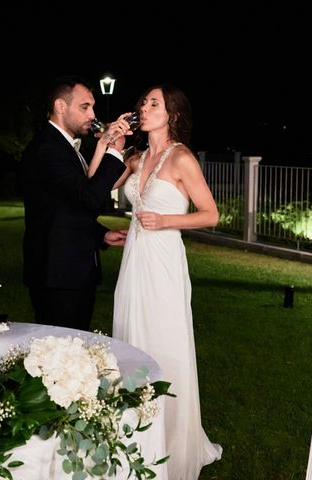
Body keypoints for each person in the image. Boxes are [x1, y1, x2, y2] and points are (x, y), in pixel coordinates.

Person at [103, 84, 223, 479]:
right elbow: (99, 182)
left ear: (171, 115)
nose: (145, 107)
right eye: (144, 102)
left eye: (154, 103)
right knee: (132, 338)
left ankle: (172, 440)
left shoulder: (182, 158)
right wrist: (111, 141)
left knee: (164, 341)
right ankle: (135, 436)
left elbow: (210, 214)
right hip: (136, 259)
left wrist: (166, 220)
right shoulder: (137, 159)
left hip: (164, 259)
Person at [19, 75, 131, 331]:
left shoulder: (64, 147)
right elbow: (91, 198)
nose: (92, 114)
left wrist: (101, 235)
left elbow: (66, 208)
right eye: (84, 107)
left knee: (74, 346)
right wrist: (116, 151)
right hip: (57, 273)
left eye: (92, 106)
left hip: (71, 270)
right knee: (59, 351)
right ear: (60, 106)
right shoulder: (49, 149)